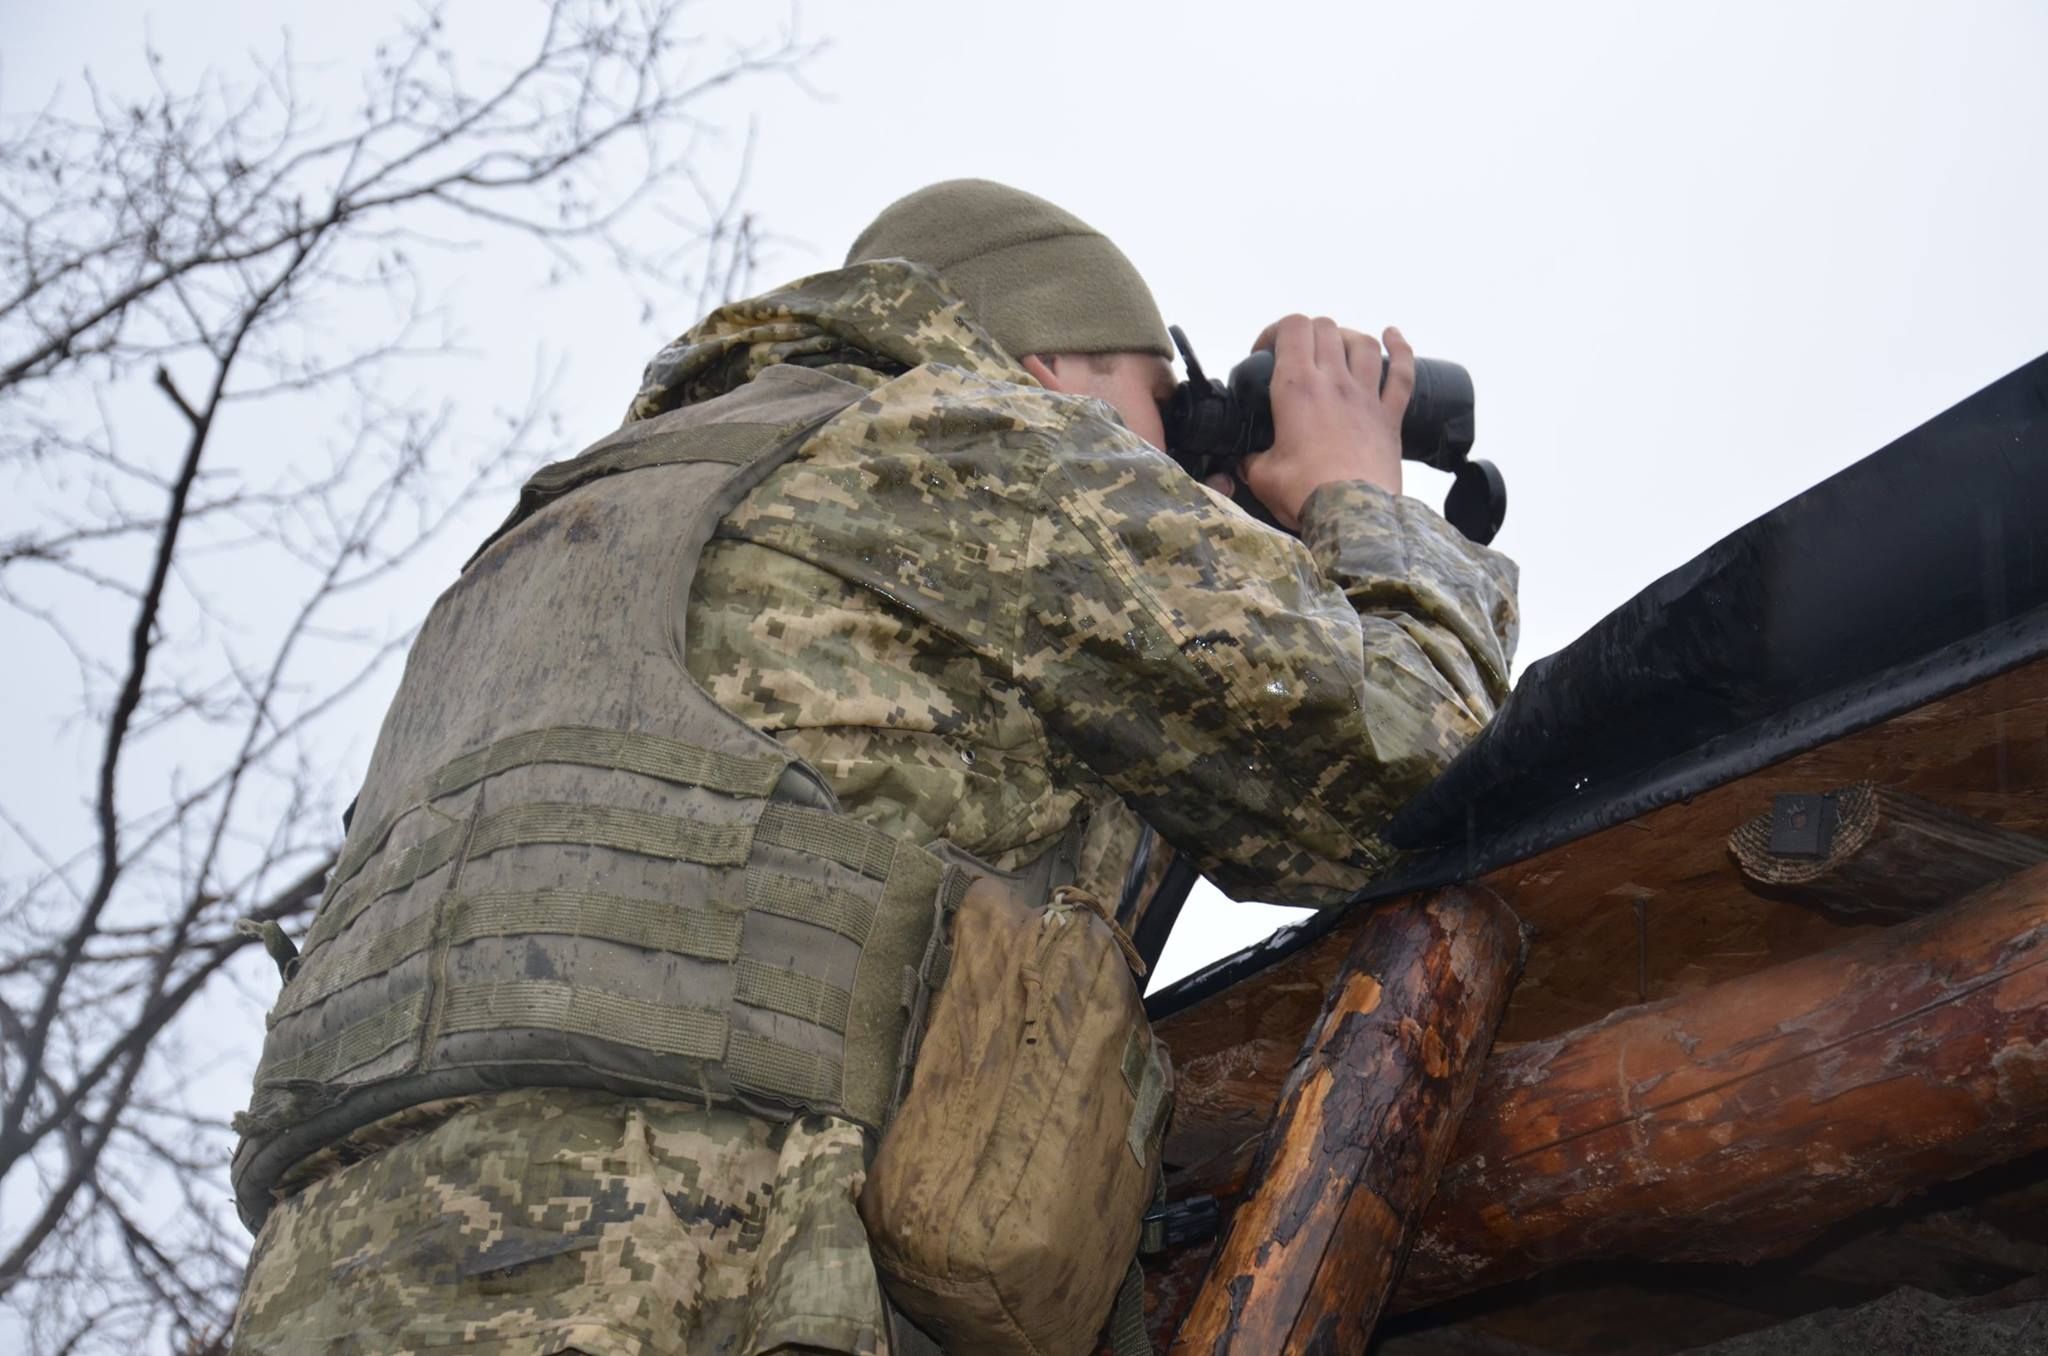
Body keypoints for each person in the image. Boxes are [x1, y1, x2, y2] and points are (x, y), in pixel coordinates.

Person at [226, 179, 1518, 1355]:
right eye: (1152, 412)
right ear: (1043, 367)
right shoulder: (967, 441)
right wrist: (1364, 497)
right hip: (701, 1287)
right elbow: (1416, 766)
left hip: (333, 1295)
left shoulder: (533, 552)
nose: (1168, 472)